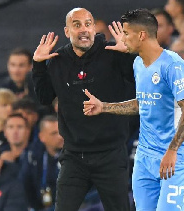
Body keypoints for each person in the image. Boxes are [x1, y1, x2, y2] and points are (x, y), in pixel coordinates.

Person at [83, 8, 184, 211]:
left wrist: (172, 150)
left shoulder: (173, 65)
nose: (123, 38)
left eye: (126, 33)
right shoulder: (138, 64)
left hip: (173, 156)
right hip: (145, 156)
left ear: (141, 35)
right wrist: (104, 106)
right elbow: (143, 103)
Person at [32, 7, 136, 211]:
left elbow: (138, 84)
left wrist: (129, 55)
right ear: (67, 31)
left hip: (111, 154)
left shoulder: (113, 53)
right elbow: (45, 98)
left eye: (88, 24)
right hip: (74, 156)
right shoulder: (57, 60)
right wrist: (38, 65)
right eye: (77, 25)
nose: (84, 30)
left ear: (94, 28)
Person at [19, 115, 64, 211]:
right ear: (42, 137)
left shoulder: (75, 156)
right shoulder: (33, 157)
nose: (60, 137)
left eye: (61, 132)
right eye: (54, 133)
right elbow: (26, 186)